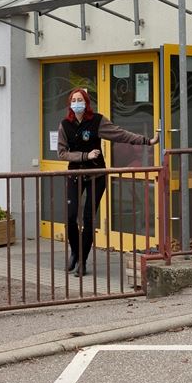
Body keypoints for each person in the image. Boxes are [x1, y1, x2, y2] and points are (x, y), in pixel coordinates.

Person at [56, 87, 158, 277]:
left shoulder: (97, 121)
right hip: (75, 175)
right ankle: (75, 253)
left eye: (80, 100)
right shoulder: (65, 125)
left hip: (96, 176)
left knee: (88, 218)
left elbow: (120, 134)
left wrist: (146, 141)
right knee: (70, 217)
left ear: (86, 103)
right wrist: (85, 155)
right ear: (70, 104)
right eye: (73, 100)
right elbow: (62, 153)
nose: (76, 103)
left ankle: (83, 262)